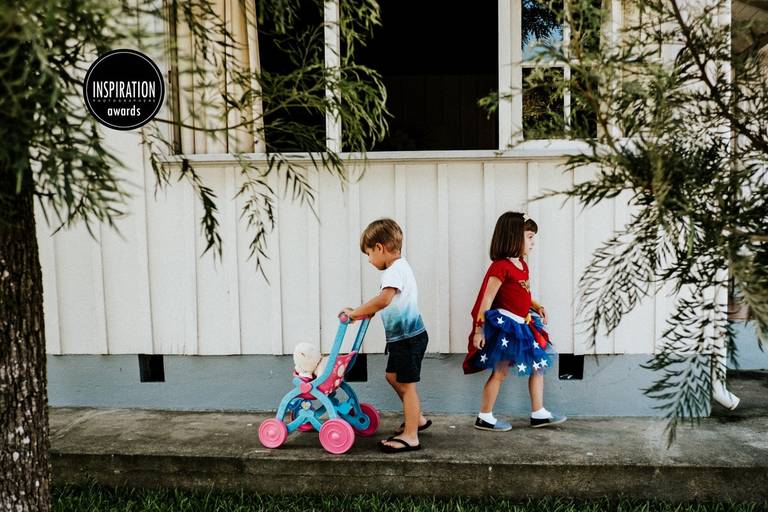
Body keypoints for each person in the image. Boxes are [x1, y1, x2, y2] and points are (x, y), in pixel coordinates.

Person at [463, 211, 566, 430]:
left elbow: (521, 294)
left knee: (538, 366)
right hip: (508, 328)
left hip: (524, 324)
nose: (533, 242)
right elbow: (487, 298)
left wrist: (535, 305)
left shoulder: (522, 265)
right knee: (500, 372)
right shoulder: (500, 267)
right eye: (529, 237)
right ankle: (484, 416)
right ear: (513, 237)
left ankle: (538, 413)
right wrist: (479, 330)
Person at [342, 218, 430, 453]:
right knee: (392, 377)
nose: (369, 260)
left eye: (369, 253)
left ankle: (411, 436)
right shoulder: (400, 268)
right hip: (404, 339)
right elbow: (388, 302)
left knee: (407, 386)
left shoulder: (394, 271)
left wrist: (355, 313)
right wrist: (365, 312)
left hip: (408, 338)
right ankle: (417, 419)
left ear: (379, 247)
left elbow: (384, 300)